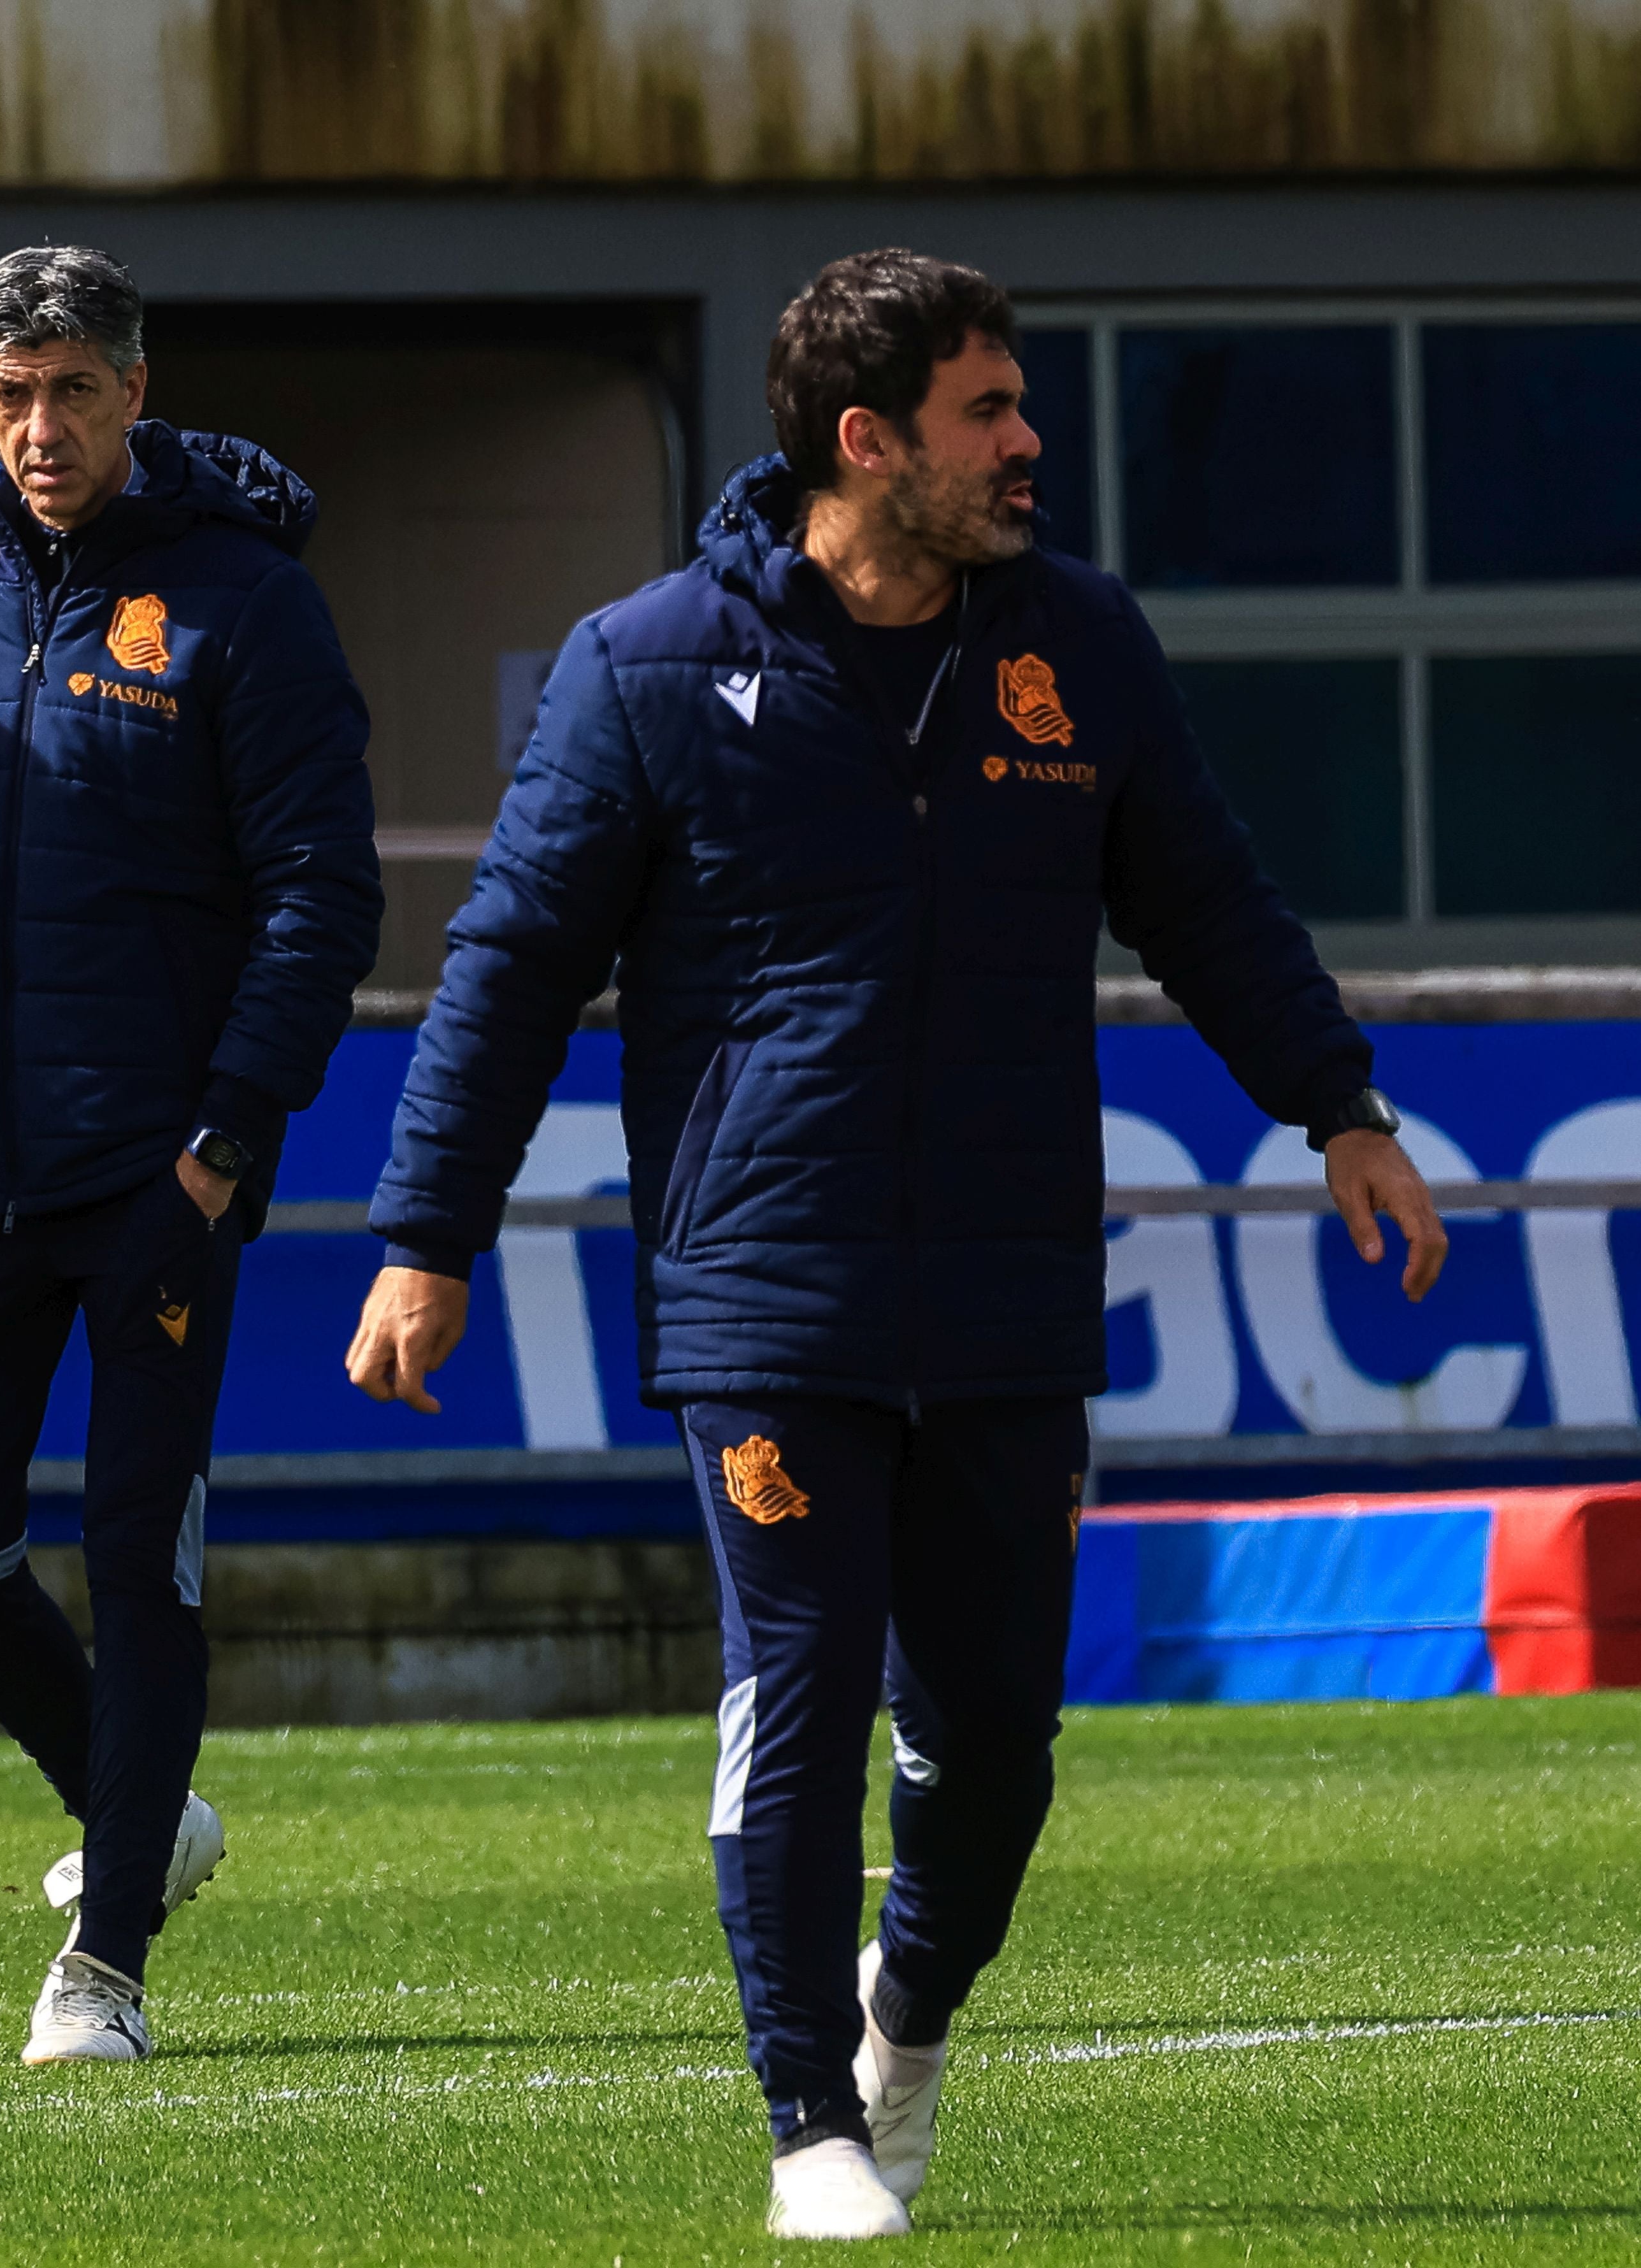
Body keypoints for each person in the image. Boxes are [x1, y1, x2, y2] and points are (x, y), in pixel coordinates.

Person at [347, 250, 1449, 2240]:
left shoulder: (1082, 649)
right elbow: (505, 972)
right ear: (868, 443)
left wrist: (1341, 1109)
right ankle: (807, 2129)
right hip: (768, 1288)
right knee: (802, 1689)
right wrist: (427, 1232)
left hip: (1019, 1284)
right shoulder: (647, 664)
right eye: (990, 411)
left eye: (1021, 406)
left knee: (1000, 1752)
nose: (1030, 445)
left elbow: (1206, 898)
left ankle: (905, 2023)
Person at [0, 246, 382, 2063]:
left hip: (154, 1178)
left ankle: (103, 1964)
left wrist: (224, 1140)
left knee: (140, 1556)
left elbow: (319, 892)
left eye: (77, 392)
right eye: (12, 394)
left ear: (135, 390)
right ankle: (145, 1819)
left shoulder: (246, 603)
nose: (44, 428)